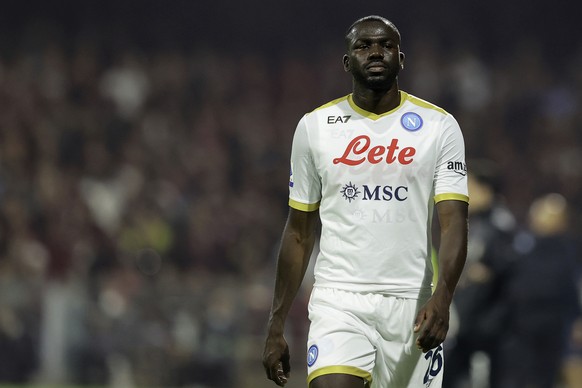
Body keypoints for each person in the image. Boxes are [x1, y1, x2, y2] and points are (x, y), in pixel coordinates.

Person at [262, 15, 469, 388]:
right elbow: (298, 233)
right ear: (347, 62)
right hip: (339, 300)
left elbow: (453, 222)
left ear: (401, 59)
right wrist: (276, 323)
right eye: (363, 45)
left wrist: (443, 298)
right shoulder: (315, 127)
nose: (375, 52)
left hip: (412, 303)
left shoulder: (439, 126)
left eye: (386, 45)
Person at [443, 160, 517, 388]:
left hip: (486, 333)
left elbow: (502, 273)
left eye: (470, 187)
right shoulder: (476, 223)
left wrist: (486, 274)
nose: (465, 194)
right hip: (468, 329)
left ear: (486, 191)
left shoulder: (499, 225)